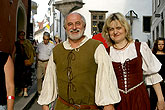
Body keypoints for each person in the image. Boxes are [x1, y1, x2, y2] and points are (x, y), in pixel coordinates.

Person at [38, 12, 121, 110]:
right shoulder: (57, 50)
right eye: (70, 24)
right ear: (65, 28)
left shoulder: (96, 46)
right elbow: (49, 78)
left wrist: (108, 104)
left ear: (84, 26)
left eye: (78, 23)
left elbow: (106, 76)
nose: (74, 27)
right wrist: (45, 103)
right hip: (61, 107)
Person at [102, 12, 165, 110]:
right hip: (117, 101)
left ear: (125, 29)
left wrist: (161, 100)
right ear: (108, 32)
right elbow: (104, 82)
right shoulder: (106, 53)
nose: (115, 32)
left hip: (139, 97)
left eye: (118, 28)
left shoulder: (140, 47)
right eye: (111, 29)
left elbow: (152, 75)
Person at [15, 31, 35, 97]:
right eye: (21, 35)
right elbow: (14, 51)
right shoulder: (16, 43)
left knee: (26, 76)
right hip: (19, 61)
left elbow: (32, 51)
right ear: (18, 36)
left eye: (23, 35)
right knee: (20, 76)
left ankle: (25, 91)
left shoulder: (27, 42)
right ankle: (21, 90)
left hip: (26, 61)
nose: (22, 36)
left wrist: (31, 59)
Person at [150, 37, 165, 110]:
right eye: (159, 44)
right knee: (154, 99)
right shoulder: (153, 55)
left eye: (162, 44)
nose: (161, 46)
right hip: (155, 80)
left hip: (164, 79)